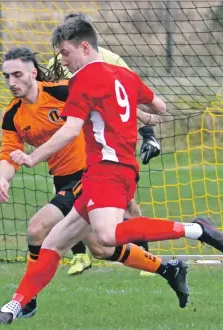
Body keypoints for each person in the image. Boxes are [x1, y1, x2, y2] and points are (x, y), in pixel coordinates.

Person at [0, 17, 223, 324]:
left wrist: (33, 159)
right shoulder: (124, 76)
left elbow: (71, 130)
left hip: (106, 170)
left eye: (65, 53)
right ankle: (13, 308)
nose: (62, 60)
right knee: (55, 243)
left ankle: (196, 229)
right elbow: (160, 108)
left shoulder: (81, 81)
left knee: (107, 235)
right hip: (115, 170)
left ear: (84, 47)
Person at [0, 47, 174, 319]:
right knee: (101, 248)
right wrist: (2, 179)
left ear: (33, 73)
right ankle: (168, 269)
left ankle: (25, 302)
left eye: (17, 75)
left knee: (36, 229)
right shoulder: (12, 115)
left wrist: (146, 120)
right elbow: (8, 153)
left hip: (91, 172)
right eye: (6, 77)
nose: (11, 82)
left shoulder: (61, 91)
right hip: (63, 179)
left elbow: (108, 101)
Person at [48, 12, 160, 262]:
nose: (63, 59)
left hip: (106, 142)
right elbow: (49, 93)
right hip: (75, 134)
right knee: (70, 193)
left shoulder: (111, 60)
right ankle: (79, 254)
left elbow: (127, 98)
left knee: (125, 207)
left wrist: (146, 128)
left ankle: (146, 254)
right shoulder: (57, 59)